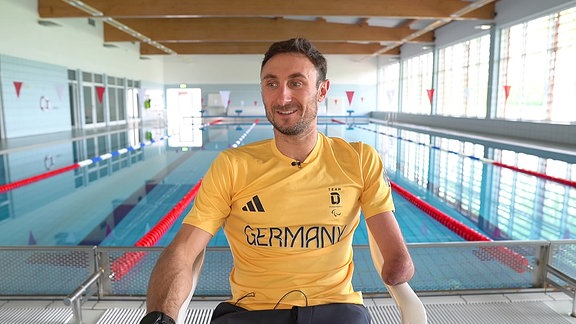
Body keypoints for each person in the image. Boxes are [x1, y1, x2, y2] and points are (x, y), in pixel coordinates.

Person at [139, 38, 415, 324]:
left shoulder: (358, 159)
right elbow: (183, 252)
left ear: (322, 90)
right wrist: (160, 318)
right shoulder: (232, 165)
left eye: (296, 83)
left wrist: (399, 278)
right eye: (271, 84)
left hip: (336, 310)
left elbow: (397, 258)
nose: (282, 97)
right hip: (250, 314)